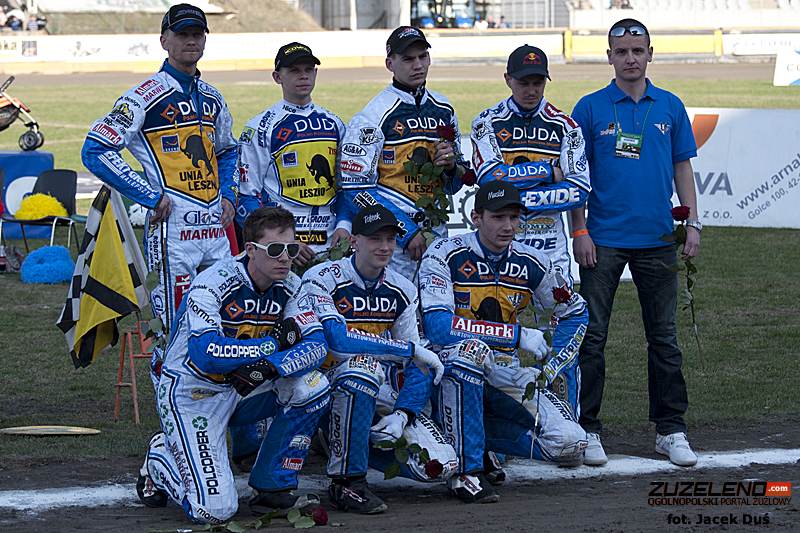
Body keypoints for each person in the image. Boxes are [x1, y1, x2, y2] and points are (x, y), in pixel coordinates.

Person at [135, 206, 330, 524]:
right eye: (276, 250)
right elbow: (205, 353)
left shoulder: (292, 285)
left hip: (245, 386)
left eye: (291, 249)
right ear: (250, 250)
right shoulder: (212, 283)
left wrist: (269, 367)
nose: (285, 258)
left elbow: (317, 346)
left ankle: (272, 486)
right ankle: (160, 457)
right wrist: (270, 347)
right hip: (193, 392)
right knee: (214, 511)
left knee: (313, 386)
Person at [570, 19, 700, 467]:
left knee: (664, 338)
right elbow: (576, 176)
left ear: (650, 54)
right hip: (602, 240)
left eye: (638, 50)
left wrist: (692, 222)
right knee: (591, 338)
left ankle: (670, 430)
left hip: (658, 238)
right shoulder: (589, 108)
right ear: (609, 56)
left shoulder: (670, 105)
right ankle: (587, 430)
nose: (630, 58)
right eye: (622, 51)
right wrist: (579, 231)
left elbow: (683, 167)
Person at [296, 204, 480, 513]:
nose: (384, 247)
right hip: (318, 385)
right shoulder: (322, 276)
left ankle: (341, 441)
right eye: (374, 239)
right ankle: (347, 482)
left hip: (374, 387)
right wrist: (408, 350)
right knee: (362, 369)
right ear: (354, 241)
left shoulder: (402, 287)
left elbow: (419, 362)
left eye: (391, 239)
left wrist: (403, 414)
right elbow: (337, 341)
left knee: (438, 465)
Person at [81, 4, 238, 345]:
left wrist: (228, 193)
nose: (191, 41)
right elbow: (95, 150)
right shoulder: (143, 97)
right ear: (164, 41)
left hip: (215, 228)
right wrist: (149, 196)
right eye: (182, 34)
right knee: (173, 325)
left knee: (227, 318)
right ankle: (167, 380)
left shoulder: (213, 97)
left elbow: (227, 151)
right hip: (172, 231)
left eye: (197, 34)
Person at [419, 181, 589, 482]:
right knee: (468, 357)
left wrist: (546, 371)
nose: (508, 226)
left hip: (505, 373)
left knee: (570, 444)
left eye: (514, 217)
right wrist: (516, 336)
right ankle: (463, 448)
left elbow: (574, 312)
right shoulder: (444, 254)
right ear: (476, 217)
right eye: (498, 217)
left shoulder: (533, 261)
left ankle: (475, 437)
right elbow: (438, 327)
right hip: (449, 370)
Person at [470, 44, 590, 415]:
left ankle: (566, 422)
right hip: (500, 251)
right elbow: (490, 180)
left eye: (538, 82)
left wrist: (515, 197)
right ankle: (500, 424)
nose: (531, 89)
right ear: (508, 79)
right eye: (523, 82)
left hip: (551, 252)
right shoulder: (486, 122)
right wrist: (550, 173)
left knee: (559, 336)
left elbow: (580, 189)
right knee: (494, 335)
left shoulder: (566, 126)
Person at [338, 26, 468, 279]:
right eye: (408, 59)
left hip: (436, 234)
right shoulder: (373, 115)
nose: (417, 65)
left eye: (422, 56)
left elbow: (455, 185)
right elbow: (355, 189)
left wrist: (452, 167)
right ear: (390, 64)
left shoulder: (444, 108)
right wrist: (406, 232)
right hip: (391, 243)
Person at [236, 42, 349, 266]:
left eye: (308, 69)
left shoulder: (336, 125)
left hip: (331, 245)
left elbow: (346, 187)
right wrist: (283, 242)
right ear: (277, 77)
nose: (303, 76)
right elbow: (245, 196)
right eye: (294, 70)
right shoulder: (260, 127)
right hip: (282, 251)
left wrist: (345, 225)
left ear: (316, 73)